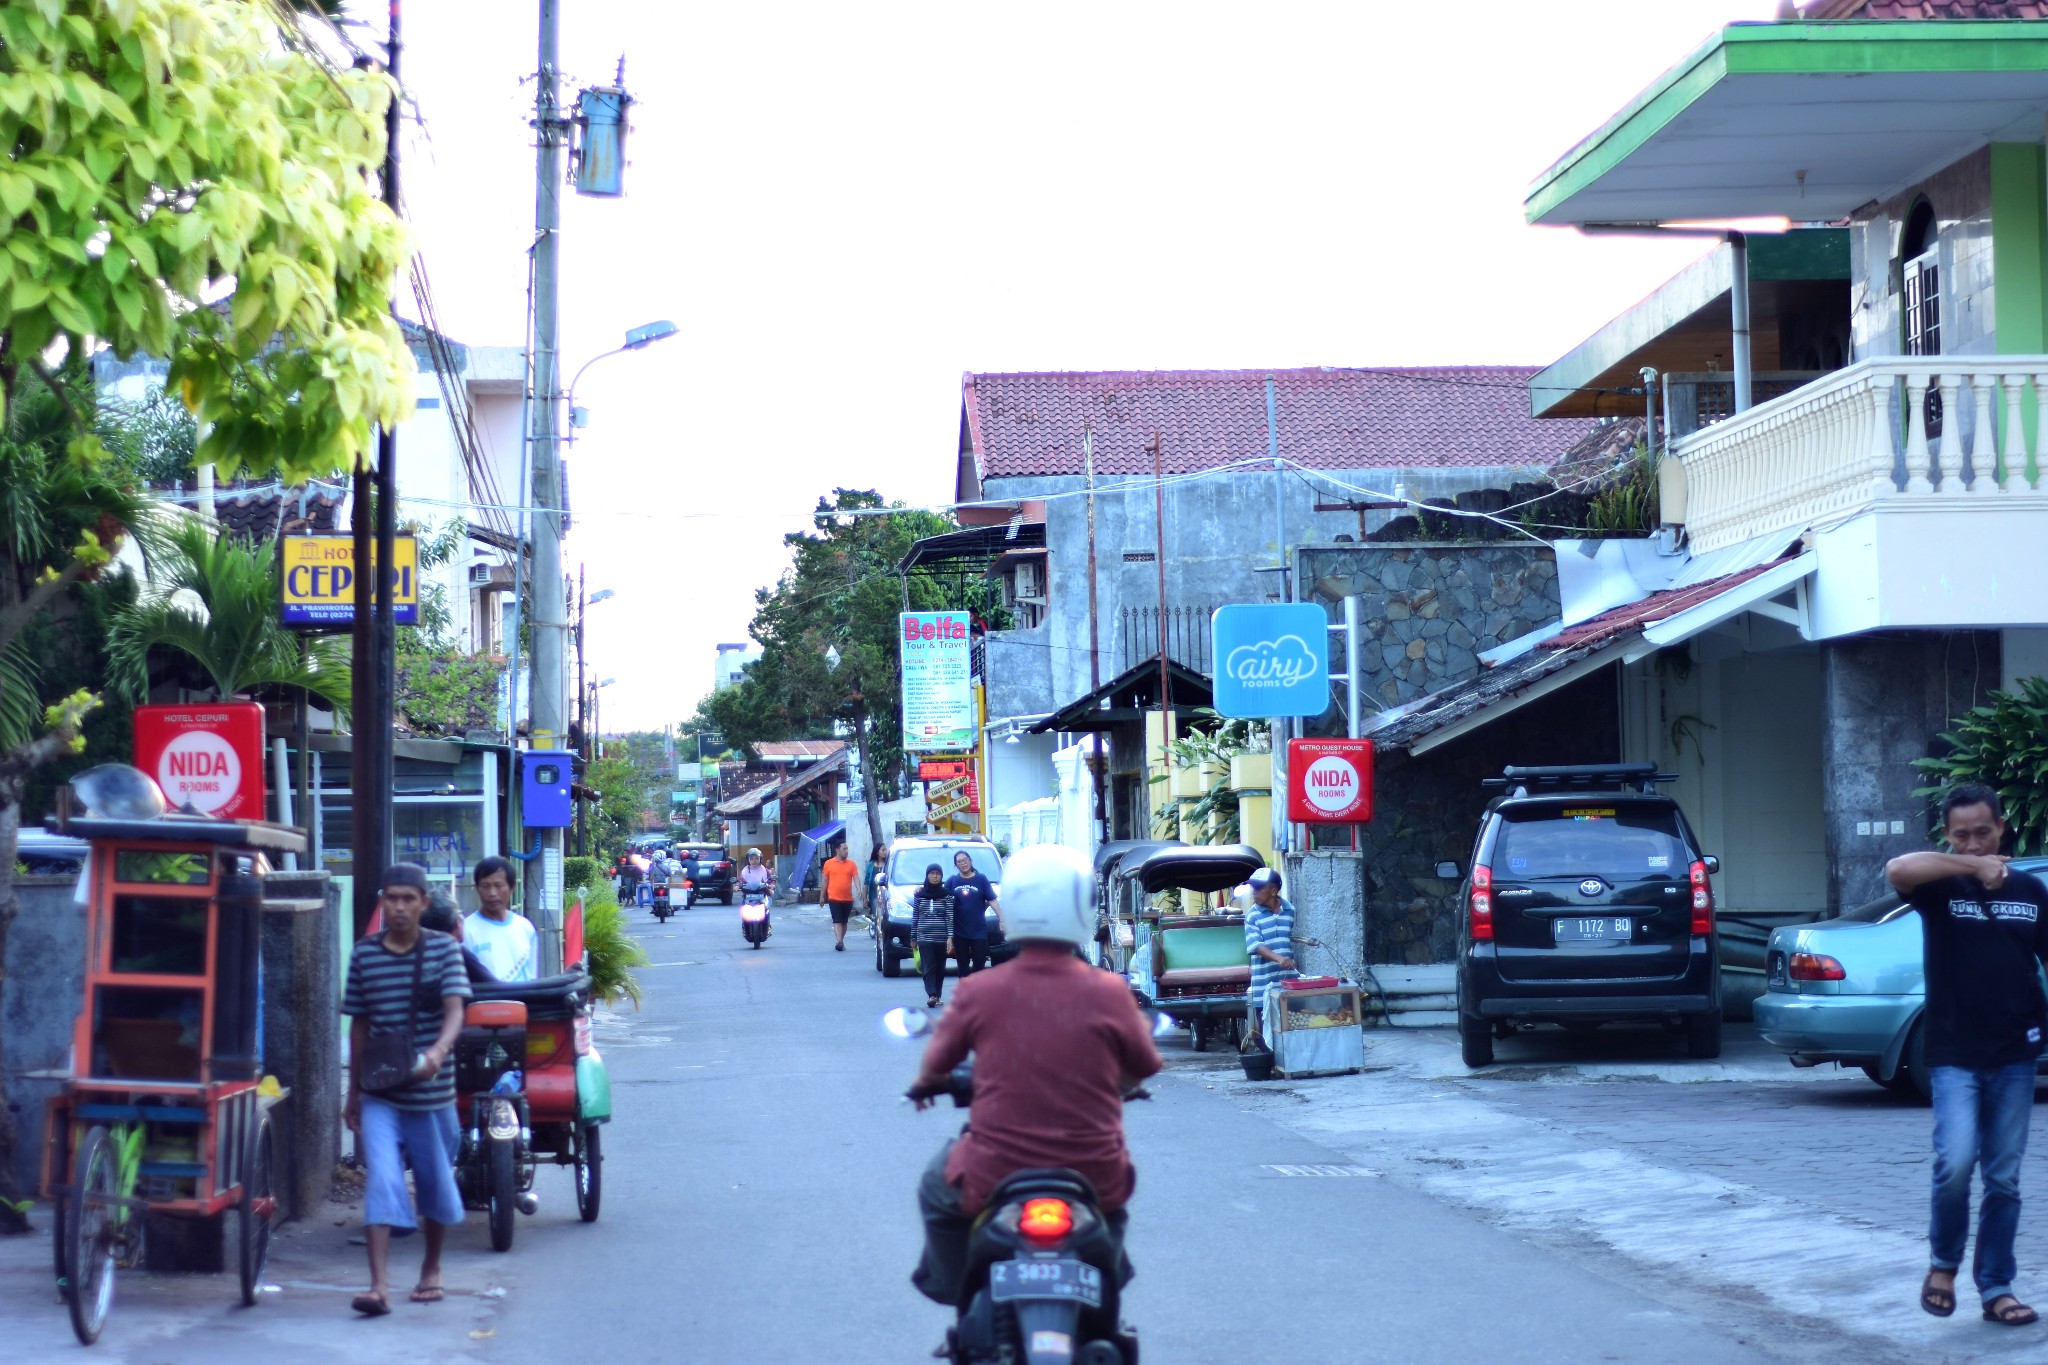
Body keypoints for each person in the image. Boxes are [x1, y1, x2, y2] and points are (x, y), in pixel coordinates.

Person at [907, 843, 1162, 1308]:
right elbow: (1146, 1065)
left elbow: (936, 1063)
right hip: (1094, 1175)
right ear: (1082, 910)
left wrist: (925, 1086)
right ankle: (1109, 1278)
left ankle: (955, 1289)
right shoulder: (1109, 991)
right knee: (1116, 1208)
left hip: (991, 1172)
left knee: (934, 1186)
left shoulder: (979, 990)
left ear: (1017, 909)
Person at [1887, 783, 2048, 1328]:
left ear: (2002, 829)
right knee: (1954, 1163)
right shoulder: (1940, 888)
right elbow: (1899, 869)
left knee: (2003, 1177)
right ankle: (1943, 1265)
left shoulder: (2031, 891)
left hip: (2015, 1052)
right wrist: (1970, 867)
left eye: (1984, 832)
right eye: (1962, 836)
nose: (1976, 843)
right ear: (1948, 838)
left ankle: (1997, 1287)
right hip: (1955, 1054)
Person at [343, 863, 471, 1317]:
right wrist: (352, 1092)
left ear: (422, 903)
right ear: (383, 901)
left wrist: (438, 1051)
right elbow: (359, 1024)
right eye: (391, 898)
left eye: (407, 898)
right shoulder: (364, 954)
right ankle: (378, 1287)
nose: (398, 906)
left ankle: (431, 1270)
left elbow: (456, 1010)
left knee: (435, 1182)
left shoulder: (444, 951)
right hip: (381, 1090)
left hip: (433, 1092)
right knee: (381, 1176)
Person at [1242, 867, 1299, 1047]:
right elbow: (1256, 946)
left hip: (1287, 982)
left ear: (1273, 891)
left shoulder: (1290, 911)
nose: (1254, 893)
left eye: (1259, 889)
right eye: (1253, 888)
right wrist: (1279, 958)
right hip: (1263, 984)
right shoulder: (1252, 916)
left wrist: (1286, 960)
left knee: (1291, 1026)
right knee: (1266, 1032)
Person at [462, 855, 538, 983]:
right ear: (477, 888)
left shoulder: (525, 928)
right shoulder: (465, 930)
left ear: (511, 887)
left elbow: (532, 977)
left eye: (498, 885)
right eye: (485, 886)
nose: (492, 893)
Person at [945, 849, 1001, 978]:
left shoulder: (981, 879)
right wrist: (921, 890)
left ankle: (977, 994)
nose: (963, 863)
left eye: (965, 860)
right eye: (959, 862)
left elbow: (992, 900)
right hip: (959, 931)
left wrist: (1001, 919)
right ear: (956, 865)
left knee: (979, 964)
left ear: (971, 861)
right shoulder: (952, 881)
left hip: (978, 930)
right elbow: (939, 895)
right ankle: (965, 995)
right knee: (962, 966)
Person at [422, 888, 496, 985]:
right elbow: (498, 989)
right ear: (458, 922)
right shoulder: (457, 954)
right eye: (460, 913)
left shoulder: (417, 955)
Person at [911, 864, 955, 1009]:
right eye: (932, 873)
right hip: (924, 937)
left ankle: (937, 995)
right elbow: (915, 917)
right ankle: (931, 994)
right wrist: (913, 937)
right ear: (927, 875)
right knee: (928, 966)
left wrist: (950, 937)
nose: (935, 876)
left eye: (938, 874)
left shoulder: (946, 895)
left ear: (941, 876)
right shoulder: (919, 895)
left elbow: (949, 916)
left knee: (940, 967)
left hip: (941, 937)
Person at [822, 839, 861, 952]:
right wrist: (822, 896)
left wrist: (858, 889)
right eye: (844, 849)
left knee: (844, 921)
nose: (846, 851)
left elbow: (856, 878)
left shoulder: (851, 864)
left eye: (847, 849)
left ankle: (841, 940)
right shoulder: (829, 864)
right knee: (837, 920)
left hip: (847, 898)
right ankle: (839, 941)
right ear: (837, 850)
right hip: (834, 897)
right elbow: (825, 881)